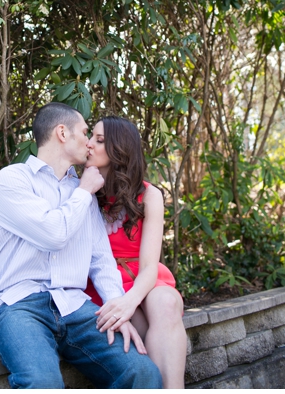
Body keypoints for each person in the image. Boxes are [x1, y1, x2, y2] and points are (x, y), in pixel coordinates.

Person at [0, 102, 162, 388]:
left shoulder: (83, 193)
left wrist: (117, 310)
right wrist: (82, 192)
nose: (89, 142)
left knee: (142, 373)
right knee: (43, 383)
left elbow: (101, 260)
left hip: (74, 307)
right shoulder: (13, 180)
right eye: (84, 132)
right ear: (62, 133)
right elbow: (53, 234)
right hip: (19, 306)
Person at [84, 116, 187, 389]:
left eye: (100, 140)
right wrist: (124, 304)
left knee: (165, 305)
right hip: (104, 283)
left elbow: (150, 266)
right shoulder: (81, 189)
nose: (89, 144)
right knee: (137, 323)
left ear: (120, 148)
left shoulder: (149, 195)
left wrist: (130, 301)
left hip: (143, 277)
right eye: (91, 136)